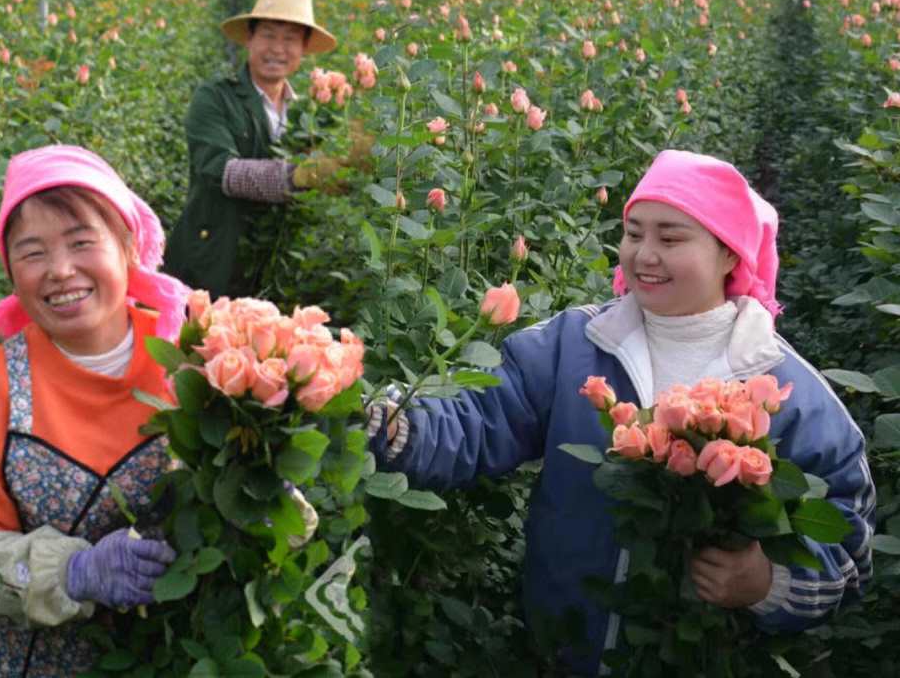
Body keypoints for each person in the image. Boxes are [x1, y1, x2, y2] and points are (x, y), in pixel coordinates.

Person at [367, 149, 874, 677]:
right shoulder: (575, 344)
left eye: (670, 238)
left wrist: (767, 583)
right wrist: (395, 421)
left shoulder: (785, 391)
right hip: (564, 654)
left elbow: (849, 545)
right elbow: (479, 416)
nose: (645, 254)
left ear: (730, 254)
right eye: (634, 233)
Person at [0, 145, 189, 678]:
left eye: (81, 242)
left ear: (127, 246)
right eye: (33, 253)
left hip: (182, 654)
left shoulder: (195, 355)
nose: (61, 271)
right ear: (10, 269)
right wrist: (73, 571)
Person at [164, 0, 351, 298]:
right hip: (211, 265)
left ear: (304, 48)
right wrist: (302, 175)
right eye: (268, 35)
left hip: (273, 271)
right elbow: (221, 171)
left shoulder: (309, 112)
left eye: (290, 39)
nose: (278, 49)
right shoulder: (215, 96)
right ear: (249, 38)